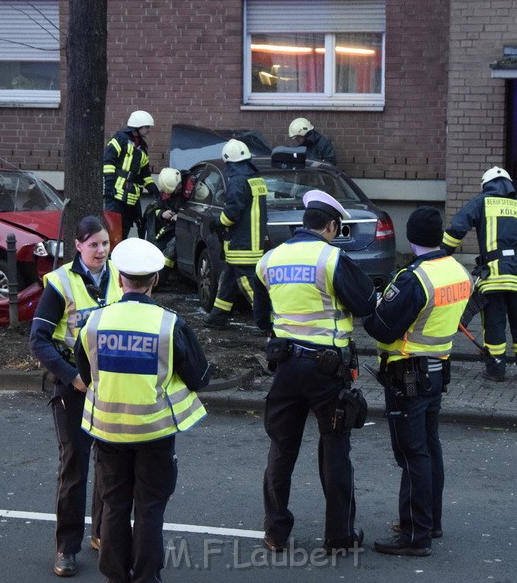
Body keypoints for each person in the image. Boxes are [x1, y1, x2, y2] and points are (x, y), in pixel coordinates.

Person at [75, 237, 212, 583]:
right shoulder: (170, 325)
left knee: (115, 505)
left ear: (119, 278)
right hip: (154, 433)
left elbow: (86, 372)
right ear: (155, 280)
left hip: (108, 432)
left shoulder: (93, 322)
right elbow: (199, 378)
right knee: (149, 509)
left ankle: (115, 576)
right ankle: (146, 576)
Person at [253, 189, 377, 555]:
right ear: (332, 226)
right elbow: (366, 304)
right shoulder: (331, 259)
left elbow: (262, 317)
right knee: (335, 448)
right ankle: (338, 537)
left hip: (286, 367)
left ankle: (275, 532)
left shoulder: (270, 259)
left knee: (281, 449)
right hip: (327, 370)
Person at [363, 206, 472, 557]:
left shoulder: (414, 278)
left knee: (412, 454)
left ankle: (414, 534)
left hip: (408, 374)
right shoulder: (458, 271)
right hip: (437, 370)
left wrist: (373, 304)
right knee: (429, 447)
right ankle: (431, 522)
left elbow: (381, 327)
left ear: (410, 238)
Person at [29, 215, 122, 577]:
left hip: (111, 386)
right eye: (94, 244)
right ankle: (67, 548)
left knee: (110, 464)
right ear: (78, 246)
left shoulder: (120, 275)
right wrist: (71, 377)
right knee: (75, 467)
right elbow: (38, 341)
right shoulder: (61, 284)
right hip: (73, 389)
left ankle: (102, 534)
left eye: (105, 243)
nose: (101, 250)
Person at [442, 166, 517, 382]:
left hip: (493, 277)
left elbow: (456, 229)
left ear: (485, 185)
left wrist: (441, 255)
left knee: (494, 324)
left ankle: (496, 371)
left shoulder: (482, 202)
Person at [203, 139, 269, 328]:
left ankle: (267, 321)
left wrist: (217, 222)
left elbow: (232, 213)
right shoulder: (256, 179)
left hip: (242, 243)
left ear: (228, 161)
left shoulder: (238, 181)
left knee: (248, 284)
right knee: (229, 280)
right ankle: (217, 317)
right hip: (253, 241)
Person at [104, 110, 161, 246]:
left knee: (125, 231)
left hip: (130, 197)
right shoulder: (120, 139)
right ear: (137, 126)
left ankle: (119, 263)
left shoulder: (142, 148)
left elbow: (145, 175)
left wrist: (154, 191)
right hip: (116, 194)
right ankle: (109, 261)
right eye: (146, 127)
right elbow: (108, 161)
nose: (148, 130)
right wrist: (109, 184)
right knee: (112, 229)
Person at [149, 166, 193, 282]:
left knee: (171, 250)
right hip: (171, 227)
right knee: (156, 247)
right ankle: (147, 277)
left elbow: (199, 209)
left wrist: (181, 216)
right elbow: (157, 208)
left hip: (187, 228)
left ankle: (158, 281)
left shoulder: (193, 187)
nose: (176, 191)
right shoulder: (167, 190)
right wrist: (163, 214)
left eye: (177, 189)